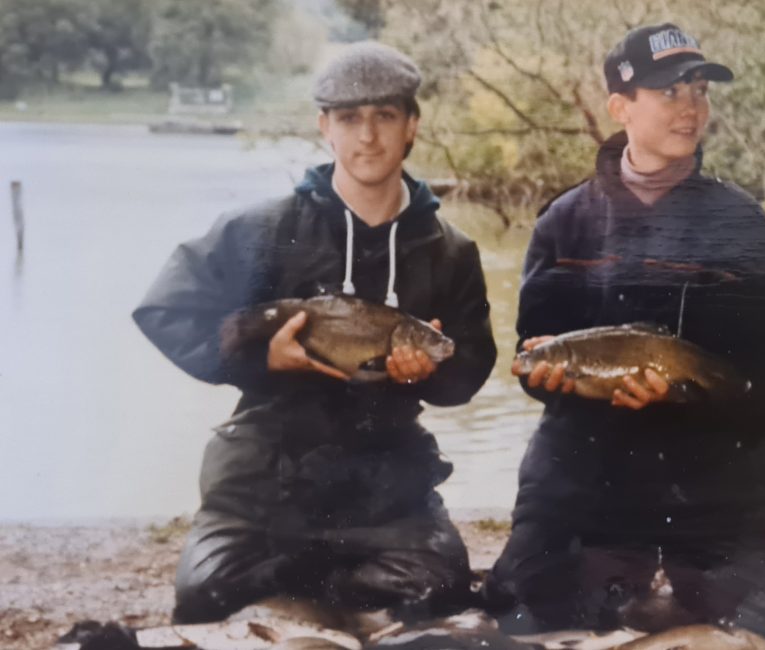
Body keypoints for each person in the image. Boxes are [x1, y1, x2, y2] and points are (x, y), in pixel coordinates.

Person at [484, 23, 765, 648]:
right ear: (620, 108)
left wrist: (688, 398)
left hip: (713, 474)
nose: (691, 106)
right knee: (526, 613)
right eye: (670, 91)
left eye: (699, 89)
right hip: (590, 475)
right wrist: (561, 384)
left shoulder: (740, 223)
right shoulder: (565, 221)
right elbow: (534, 349)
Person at [133, 42, 497, 625]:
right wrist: (262, 362)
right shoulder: (262, 228)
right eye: (350, 118)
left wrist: (434, 372)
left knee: (441, 590)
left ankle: (316, 594)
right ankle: (323, 593)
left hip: (385, 489)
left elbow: (470, 365)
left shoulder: (450, 249)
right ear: (324, 127)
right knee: (204, 595)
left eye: (385, 116)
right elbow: (166, 310)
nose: (368, 137)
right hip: (263, 480)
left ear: (412, 127)